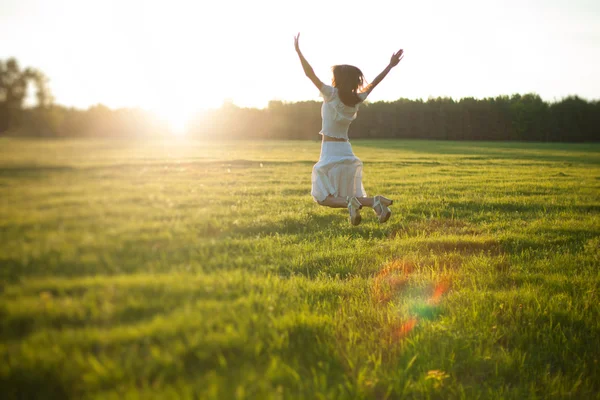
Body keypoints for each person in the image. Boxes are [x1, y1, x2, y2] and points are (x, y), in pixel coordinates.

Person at [294, 33, 404, 226]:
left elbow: (309, 74)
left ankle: (353, 203)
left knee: (321, 197)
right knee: (345, 194)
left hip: (329, 151)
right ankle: (376, 203)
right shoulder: (357, 99)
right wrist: (390, 66)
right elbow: (375, 83)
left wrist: (298, 52)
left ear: (338, 79)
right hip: (346, 150)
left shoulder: (330, 94)